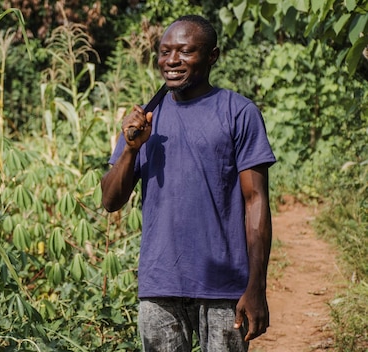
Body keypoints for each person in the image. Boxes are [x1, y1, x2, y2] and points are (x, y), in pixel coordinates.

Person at [101, 15, 276, 351]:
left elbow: (256, 202)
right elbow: (110, 201)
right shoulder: (144, 119)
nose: (171, 61)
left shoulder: (238, 112)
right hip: (160, 283)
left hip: (225, 287)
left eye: (185, 52)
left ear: (212, 56)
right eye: (165, 52)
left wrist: (256, 286)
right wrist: (130, 150)